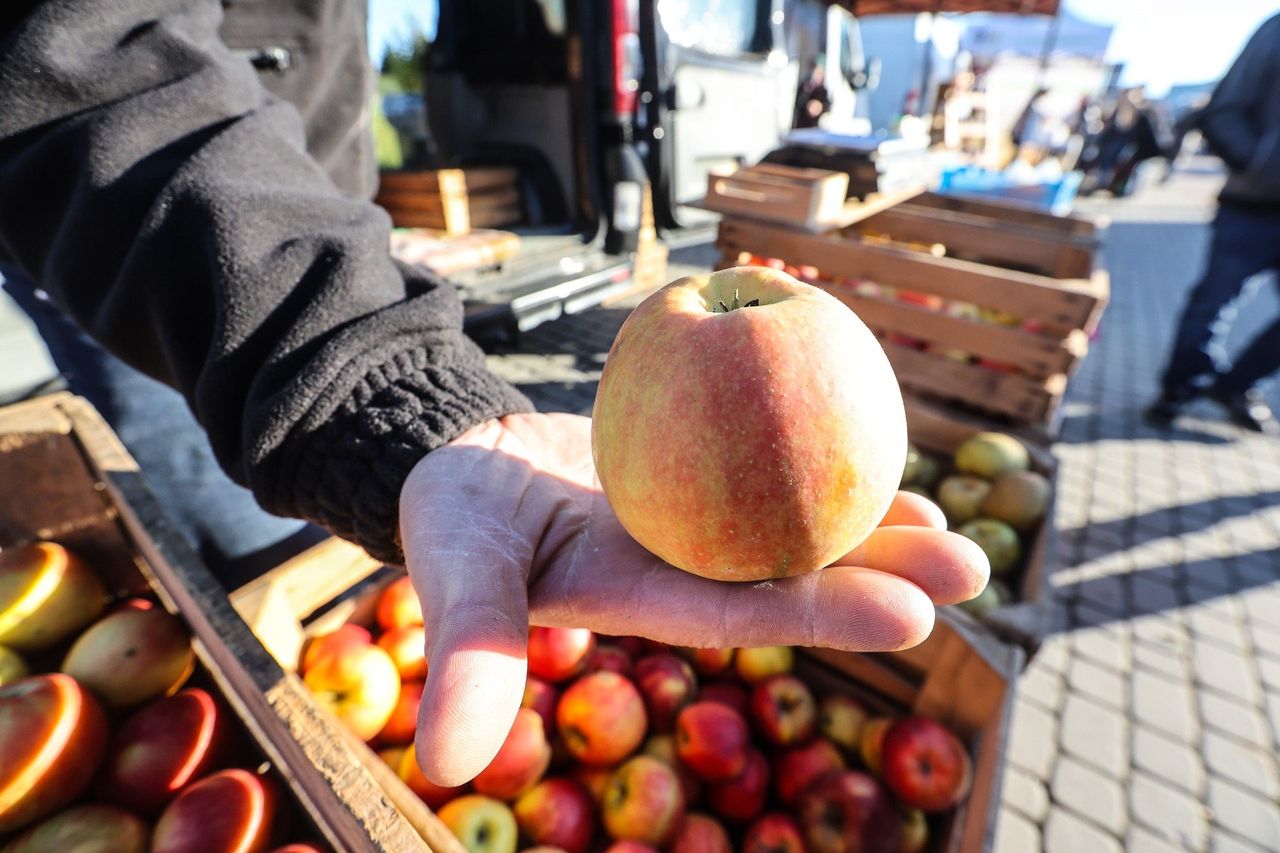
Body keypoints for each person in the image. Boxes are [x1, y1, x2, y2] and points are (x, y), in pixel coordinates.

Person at [0, 0, 987, 787]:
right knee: (234, 524)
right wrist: (351, 366)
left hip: (286, 256)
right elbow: (79, 60)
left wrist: (374, 377)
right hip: (147, 287)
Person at [1146, 14, 1280, 434]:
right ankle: (1180, 385)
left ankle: (1236, 384)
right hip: (1253, 205)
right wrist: (1258, 166)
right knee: (1213, 301)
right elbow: (1224, 108)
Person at [793, 58, 832, 129]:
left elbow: (828, 106)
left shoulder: (824, 91)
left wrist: (820, 107)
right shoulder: (805, 86)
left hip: (815, 127)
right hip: (802, 125)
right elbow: (798, 103)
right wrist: (809, 106)